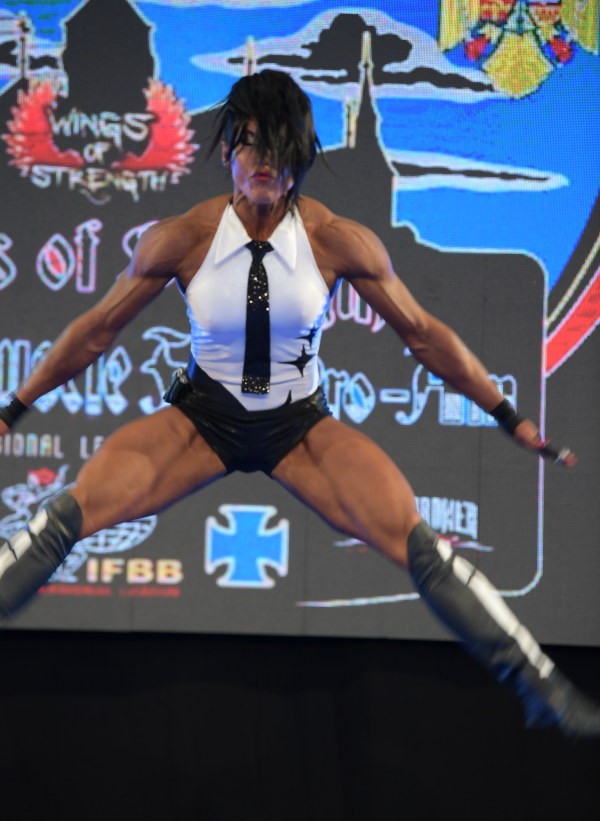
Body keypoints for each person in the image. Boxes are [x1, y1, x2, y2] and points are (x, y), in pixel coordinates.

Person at [0, 70, 598, 738]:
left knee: (420, 545)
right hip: (202, 420)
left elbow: (424, 336)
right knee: (65, 518)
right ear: (226, 152)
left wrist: (508, 416)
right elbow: (96, 331)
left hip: (298, 427)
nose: (264, 162)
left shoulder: (336, 241)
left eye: (279, 149)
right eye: (250, 144)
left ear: (301, 161)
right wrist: (12, 409)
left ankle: (543, 688)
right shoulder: (183, 238)